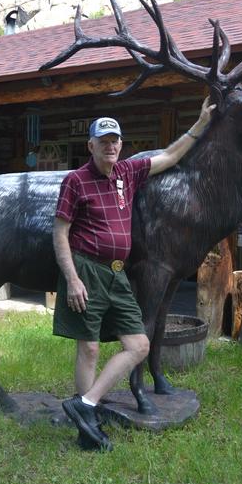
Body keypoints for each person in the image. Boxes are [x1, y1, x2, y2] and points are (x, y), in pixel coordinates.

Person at [54, 97, 215, 451]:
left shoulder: (129, 171)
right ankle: (88, 425)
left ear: (121, 145)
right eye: (103, 141)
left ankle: (86, 403)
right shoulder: (76, 181)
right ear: (91, 145)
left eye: (115, 141)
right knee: (90, 348)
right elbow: (60, 231)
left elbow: (172, 155)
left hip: (117, 274)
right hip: (86, 270)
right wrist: (72, 279)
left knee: (138, 344)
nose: (110, 146)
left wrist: (201, 123)